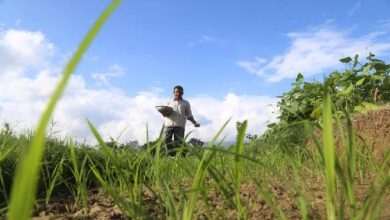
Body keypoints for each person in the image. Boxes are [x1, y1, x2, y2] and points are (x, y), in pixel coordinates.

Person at [160, 85, 200, 156]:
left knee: (178, 143)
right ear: (173, 92)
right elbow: (165, 114)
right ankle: (171, 156)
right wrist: (163, 113)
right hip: (168, 125)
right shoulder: (168, 102)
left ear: (182, 93)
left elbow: (189, 115)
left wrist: (195, 123)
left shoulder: (186, 103)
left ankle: (180, 157)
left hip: (180, 125)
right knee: (165, 140)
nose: (178, 93)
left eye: (180, 92)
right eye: (176, 92)